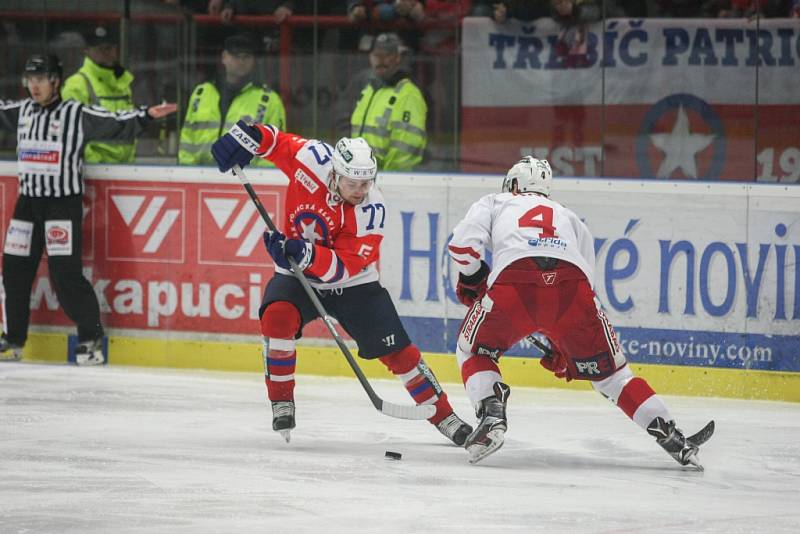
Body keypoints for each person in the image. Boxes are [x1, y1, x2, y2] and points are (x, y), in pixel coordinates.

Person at [209, 120, 472, 445]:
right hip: (296, 273)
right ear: (334, 173)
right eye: (353, 183)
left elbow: (342, 268)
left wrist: (299, 250)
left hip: (354, 284)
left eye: (366, 182)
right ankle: (281, 400)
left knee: (399, 353)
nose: (361, 191)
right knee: (277, 317)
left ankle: (445, 416)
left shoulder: (372, 208)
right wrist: (247, 138)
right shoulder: (311, 158)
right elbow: (275, 141)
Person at [448, 156, 713, 466]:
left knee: (472, 351)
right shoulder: (569, 217)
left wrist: (473, 275)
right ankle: (672, 436)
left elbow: (462, 247)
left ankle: (492, 412)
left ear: (514, 185)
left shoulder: (496, 201)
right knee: (614, 377)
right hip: (574, 292)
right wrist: (565, 343)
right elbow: (581, 282)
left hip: (514, 285)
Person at [0, 54, 176, 364]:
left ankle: (91, 339)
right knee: (14, 270)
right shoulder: (23, 111)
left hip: (61, 204)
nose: (34, 86)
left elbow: (114, 124)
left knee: (65, 274)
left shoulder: (74, 113)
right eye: (30, 80)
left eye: (40, 79)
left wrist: (146, 115)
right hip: (27, 204)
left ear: (56, 81)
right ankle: (13, 340)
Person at [179, 33, 286, 166]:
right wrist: (187, 173)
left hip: (246, 178)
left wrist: (260, 179)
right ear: (224, 57)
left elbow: (274, 150)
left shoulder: (270, 100)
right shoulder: (201, 93)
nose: (241, 62)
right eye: (235, 56)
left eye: (246, 57)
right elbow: (187, 139)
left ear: (253, 61)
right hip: (201, 175)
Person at [349, 32, 427, 172]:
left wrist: (389, 176)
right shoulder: (370, 90)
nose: (380, 60)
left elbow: (406, 149)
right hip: (363, 177)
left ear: (397, 58)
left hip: (389, 180)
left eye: (387, 55)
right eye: (376, 55)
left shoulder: (408, 94)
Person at [61, 25, 138, 163]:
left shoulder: (122, 83)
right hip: (95, 171)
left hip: (126, 168)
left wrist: (130, 159)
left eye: (109, 48)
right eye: (99, 49)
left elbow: (130, 126)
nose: (106, 53)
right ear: (87, 51)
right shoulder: (77, 85)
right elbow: (70, 133)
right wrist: (94, 164)